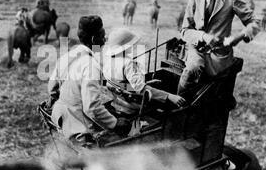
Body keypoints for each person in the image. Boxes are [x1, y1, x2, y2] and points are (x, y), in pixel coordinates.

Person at [178, 0, 261, 98]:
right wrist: (203, 36)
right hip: (196, 50)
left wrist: (241, 35)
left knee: (217, 95)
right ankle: (178, 105)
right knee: (191, 70)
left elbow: (256, 21)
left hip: (219, 55)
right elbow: (185, 31)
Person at [47, 16, 131, 148]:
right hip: (77, 128)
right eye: (102, 36)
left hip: (58, 117)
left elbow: (52, 88)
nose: (104, 40)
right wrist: (115, 123)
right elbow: (92, 108)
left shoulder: (67, 56)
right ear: (93, 39)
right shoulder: (91, 65)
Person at [102, 29, 186, 116]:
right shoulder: (128, 63)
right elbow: (141, 89)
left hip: (119, 100)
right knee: (168, 93)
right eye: (131, 45)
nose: (133, 46)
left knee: (155, 84)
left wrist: (147, 83)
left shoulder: (109, 60)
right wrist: (169, 96)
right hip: (134, 103)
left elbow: (123, 85)